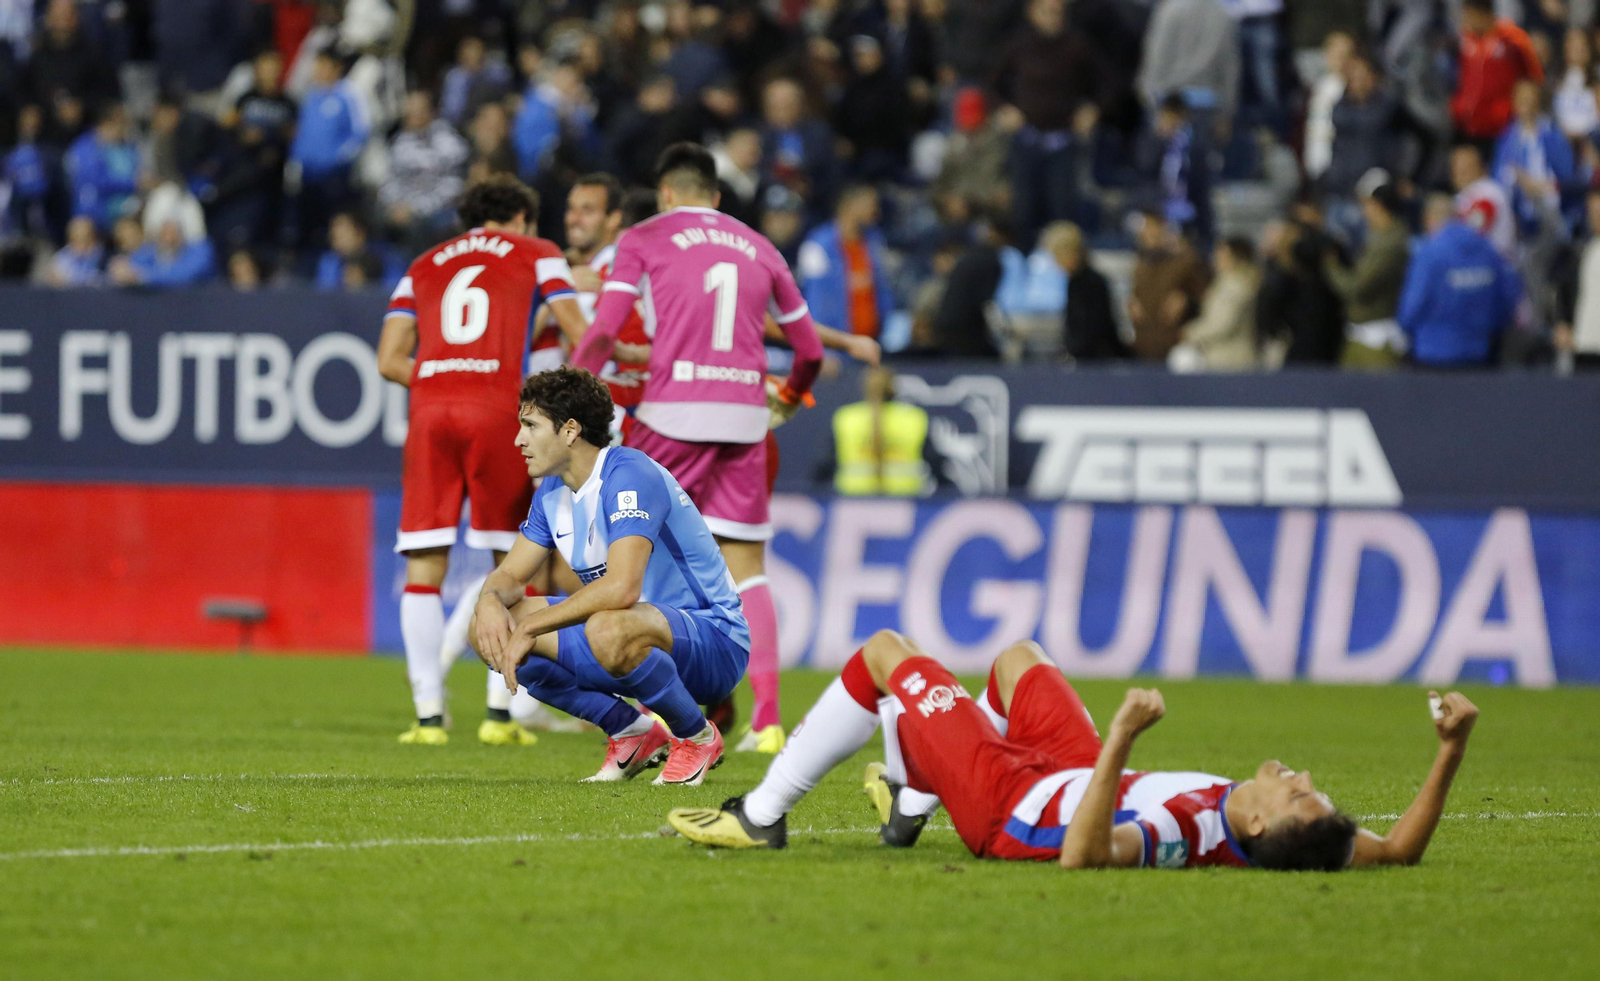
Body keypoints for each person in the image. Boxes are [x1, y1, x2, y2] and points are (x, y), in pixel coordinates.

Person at [668, 630, 1481, 874]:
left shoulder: (1180, 833)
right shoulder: (1295, 838)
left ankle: (763, 814)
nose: (1301, 779)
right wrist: (1452, 746)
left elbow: (1084, 855)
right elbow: (1400, 851)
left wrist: (1122, 737)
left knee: (884, 653)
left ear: (1263, 828)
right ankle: (915, 798)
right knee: (1018, 659)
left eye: (1301, 795)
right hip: (1068, 772)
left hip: (1010, 805)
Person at [574, 142, 825, 759]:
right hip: (745, 419)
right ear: (716, 198)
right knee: (749, 568)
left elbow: (604, 327)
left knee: (641, 551)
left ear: (664, 194)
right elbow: (811, 349)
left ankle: (656, 712)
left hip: (671, 414)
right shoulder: (759, 245)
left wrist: (570, 397)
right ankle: (766, 719)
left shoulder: (645, 238)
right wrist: (790, 393)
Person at [375, 175, 589, 746]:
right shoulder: (539, 253)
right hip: (499, 408)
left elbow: (389, 358)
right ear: (520, 218)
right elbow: (580, 332)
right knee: (514, 559)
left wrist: (444, 380)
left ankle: (426, 720)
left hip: (429, 410)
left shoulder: (423, 263)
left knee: (424, 567)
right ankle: (500, 715)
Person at [472, 366, 751, 786]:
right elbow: (509, 574)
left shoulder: (628, 476)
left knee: (605, 625)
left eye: (530, 425)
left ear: (569, 430)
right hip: (629, 635)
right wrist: (489, 603)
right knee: (490, 629)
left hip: (714, 640)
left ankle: (696, 737)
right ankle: (631, 732)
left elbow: (622, 587)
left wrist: (532, 625)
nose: (519, 439)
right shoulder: (551, 492)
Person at [1398, 193, 1521, 368]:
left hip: (1432, 356)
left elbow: (1412, 307)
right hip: (1480, 354)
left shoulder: (1429, 254)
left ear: (1428, 219)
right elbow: (1507, 299)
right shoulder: (1487, 250)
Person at [1327, 177, 1411, 368]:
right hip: (1359, 335)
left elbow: (1357, 288)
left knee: (1378, 396)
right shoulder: (1379, 238)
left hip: (1377, 340)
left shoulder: (1390, 244)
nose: (1365, 213)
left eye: (1367, 206)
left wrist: (1330, 265)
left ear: (1378, 206)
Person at [798, 183, 894, 342]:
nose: (874, 211)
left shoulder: (874, 242)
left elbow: (883, 290)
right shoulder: (817, 246)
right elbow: (814, 301)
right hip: (837, 349)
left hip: (872, 344)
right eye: (869, 205)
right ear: (849, 206)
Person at [828, 366, 931, 497]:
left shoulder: (847, 417)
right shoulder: (913, 417)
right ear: (893, 388)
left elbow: (828, 464)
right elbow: (934, 461)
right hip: (904, 498)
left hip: (853, 498)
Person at [1451, 0, 1542, 146]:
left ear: (1482, 14)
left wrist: (1511, 111)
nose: (1465, 20)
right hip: (1468, 125)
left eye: (1468, 15)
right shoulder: (1467, 40)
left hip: (1502, 128)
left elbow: (1533, 77)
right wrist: (1458, 107)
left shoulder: (1513, 38)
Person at [1128, 207, 1209, 361]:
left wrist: (1187, 300)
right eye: (1145, 229)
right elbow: (1136, 294)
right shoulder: (1141, 263)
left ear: (1164, 229)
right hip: (1145, 344)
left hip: (1177, 346)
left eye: (1153, 228)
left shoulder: (1186, 260)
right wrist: (1132, 303)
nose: (1149, 234)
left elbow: (1206, 297)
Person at [1172, 236, 1259, 371]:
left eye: (1222, 253)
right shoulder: (1227, 283)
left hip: (1230, 362)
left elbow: (1222, 324)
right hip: (1222, 359)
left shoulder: (1235, 286)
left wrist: (1190, 332)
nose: (1216, 257)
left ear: (1235, 257)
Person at [1043, 221, 1125, 362]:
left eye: (1057, 256)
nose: (1055, 262)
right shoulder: (1075, 281)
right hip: (1086, 358)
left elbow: (1093, 330)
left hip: (1097, 361)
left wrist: (1072, 353)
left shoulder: (1092, 283)